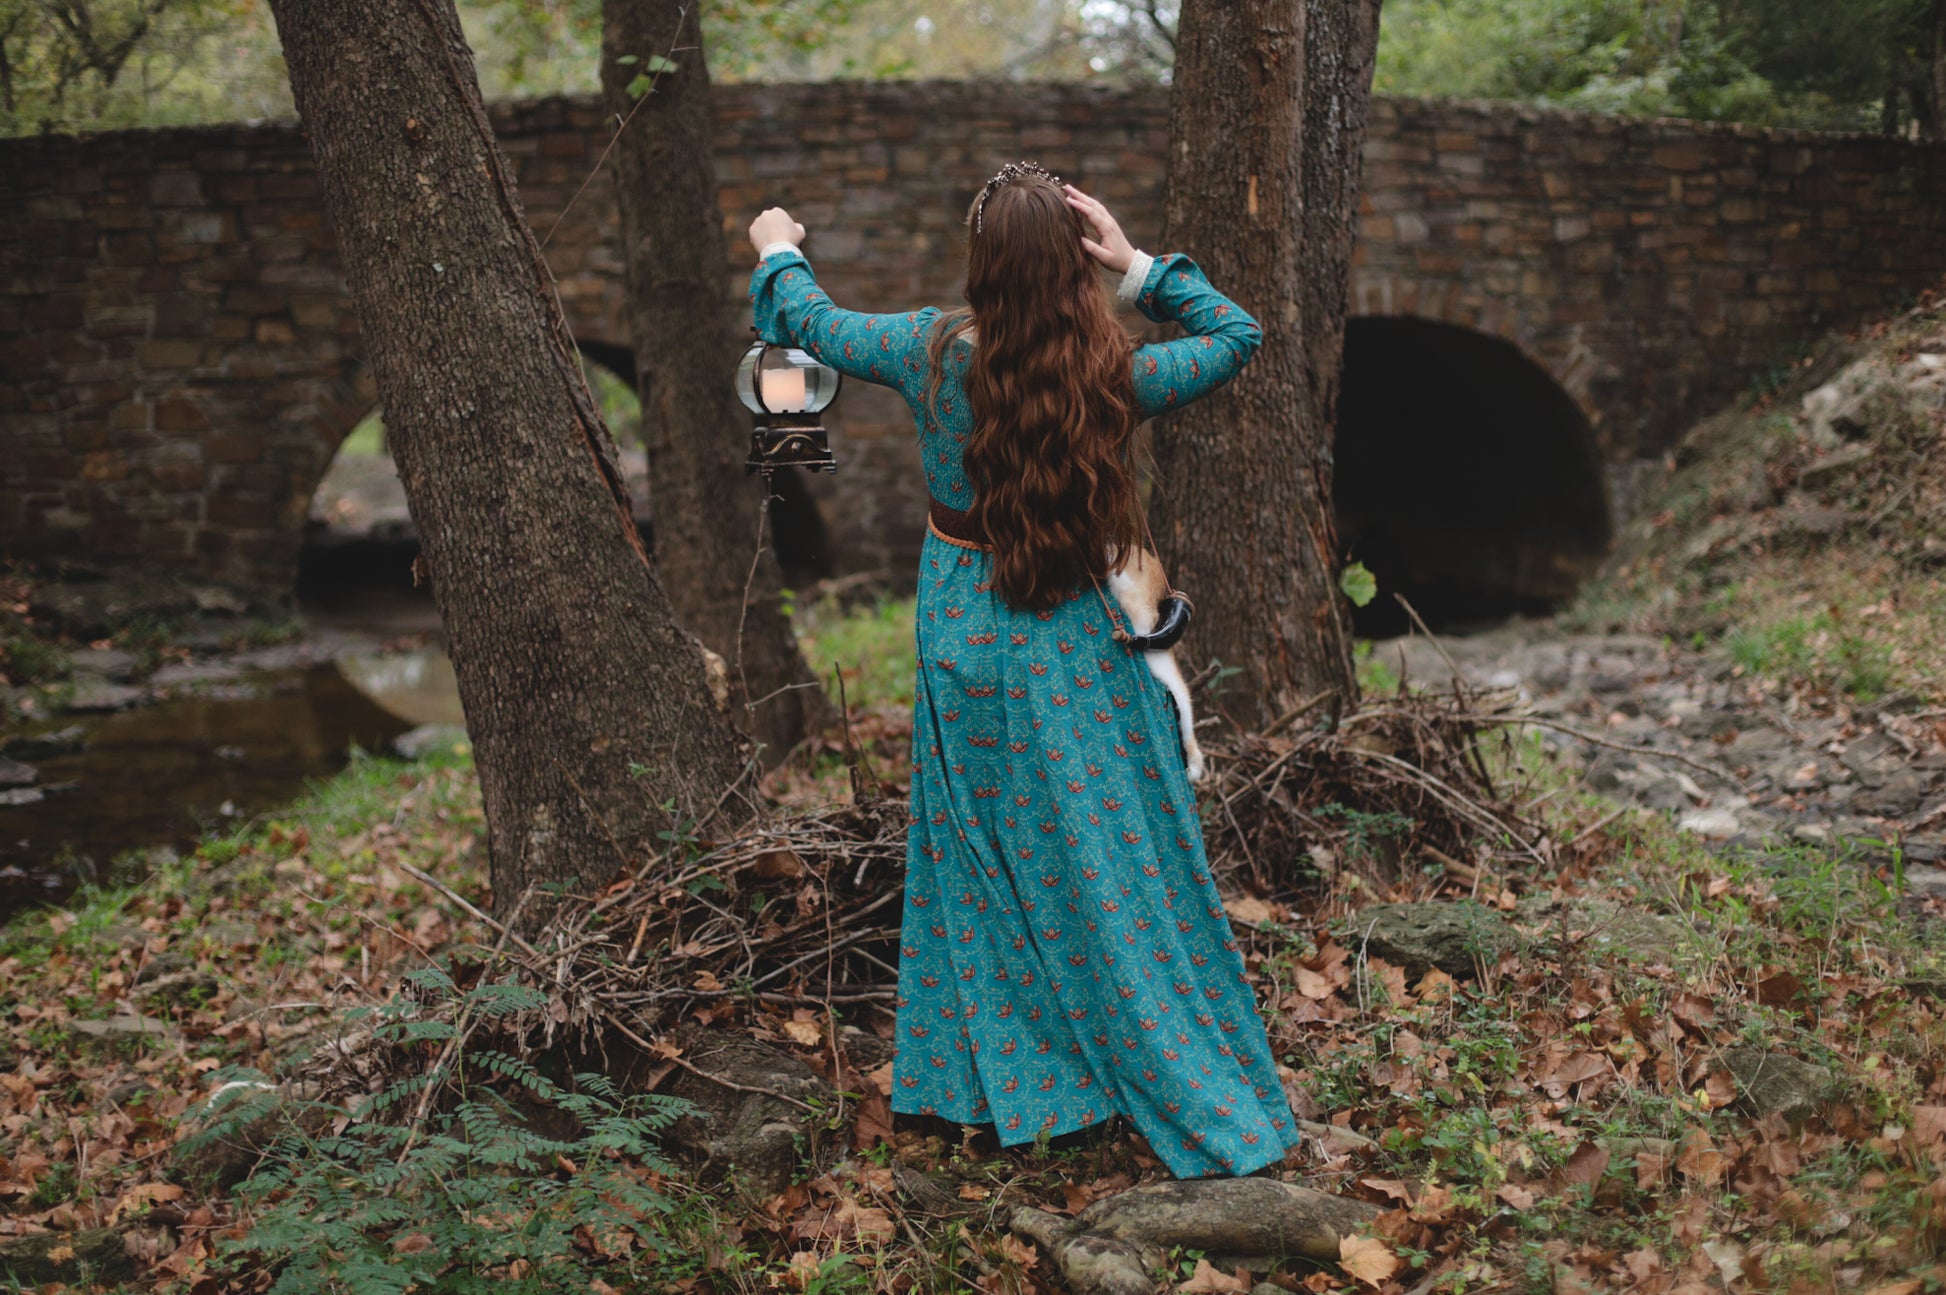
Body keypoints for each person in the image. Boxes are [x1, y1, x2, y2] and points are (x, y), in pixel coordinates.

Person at [746, 162, 1298, 1179]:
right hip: (1074, 640)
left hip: (963, 631)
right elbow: (1236, 335)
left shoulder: (925, 349)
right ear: (1072, 266)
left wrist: (777, 244)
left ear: (980, 262)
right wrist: (1137, 264)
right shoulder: (1116, 373)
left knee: (980, 857)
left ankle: (1024, 1085)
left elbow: (808, 318)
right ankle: (1133, 1054)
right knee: (1103, 849)